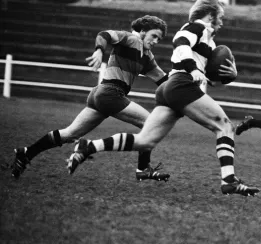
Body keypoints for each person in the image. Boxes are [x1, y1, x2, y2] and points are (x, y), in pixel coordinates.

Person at [66, 0, 259, 197]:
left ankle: (88, 146)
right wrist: (193, 68)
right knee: (225, 126)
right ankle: (229, 181)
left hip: (171, 87)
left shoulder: (208, 40)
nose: (222, 21)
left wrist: (231, 75)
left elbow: (210, 76)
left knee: (145, 141)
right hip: (181, 85)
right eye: (221, 16)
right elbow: (180, 41)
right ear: (211, 15)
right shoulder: (198, 27)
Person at [11, 15, 170, 182]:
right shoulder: (131, 38)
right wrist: (99, 50)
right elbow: (105, 34)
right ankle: (142, 168)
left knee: (70, 133)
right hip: (110, 93)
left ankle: (27, 153)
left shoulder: (147, 55)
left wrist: (186, 89)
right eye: (154, 36)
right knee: (150, 123)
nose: (156, 41)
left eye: (159, 38)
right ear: (143, 31)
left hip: (101, 94)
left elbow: (162, 79)